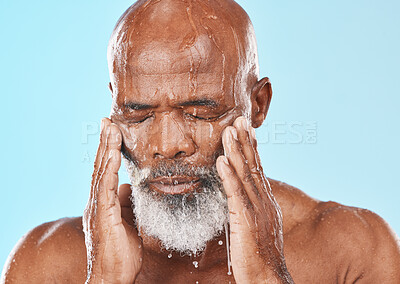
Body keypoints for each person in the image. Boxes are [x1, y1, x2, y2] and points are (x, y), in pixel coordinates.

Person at [2, 0, 400, 283]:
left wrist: (269, 278)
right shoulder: (46, 265)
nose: (167, 144)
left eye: (200, 112)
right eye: (139, 114)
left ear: (258, 105)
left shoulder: (353, 252)